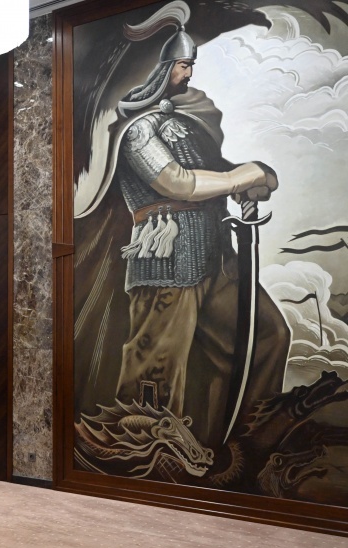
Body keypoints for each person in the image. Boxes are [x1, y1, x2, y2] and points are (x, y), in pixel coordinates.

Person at [108, 12, 290, 447]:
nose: (189, 74)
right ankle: (145, 455)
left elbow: (216, 174)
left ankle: (248, 446)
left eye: (190, 66)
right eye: (183, 66)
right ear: (159, 69)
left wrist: (252, 181)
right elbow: (177, 183)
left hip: (215, 255)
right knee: (157, 368)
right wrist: (242, 176)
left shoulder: (188, 122)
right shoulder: (137, 130)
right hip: (166, 257)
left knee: (269, 335)